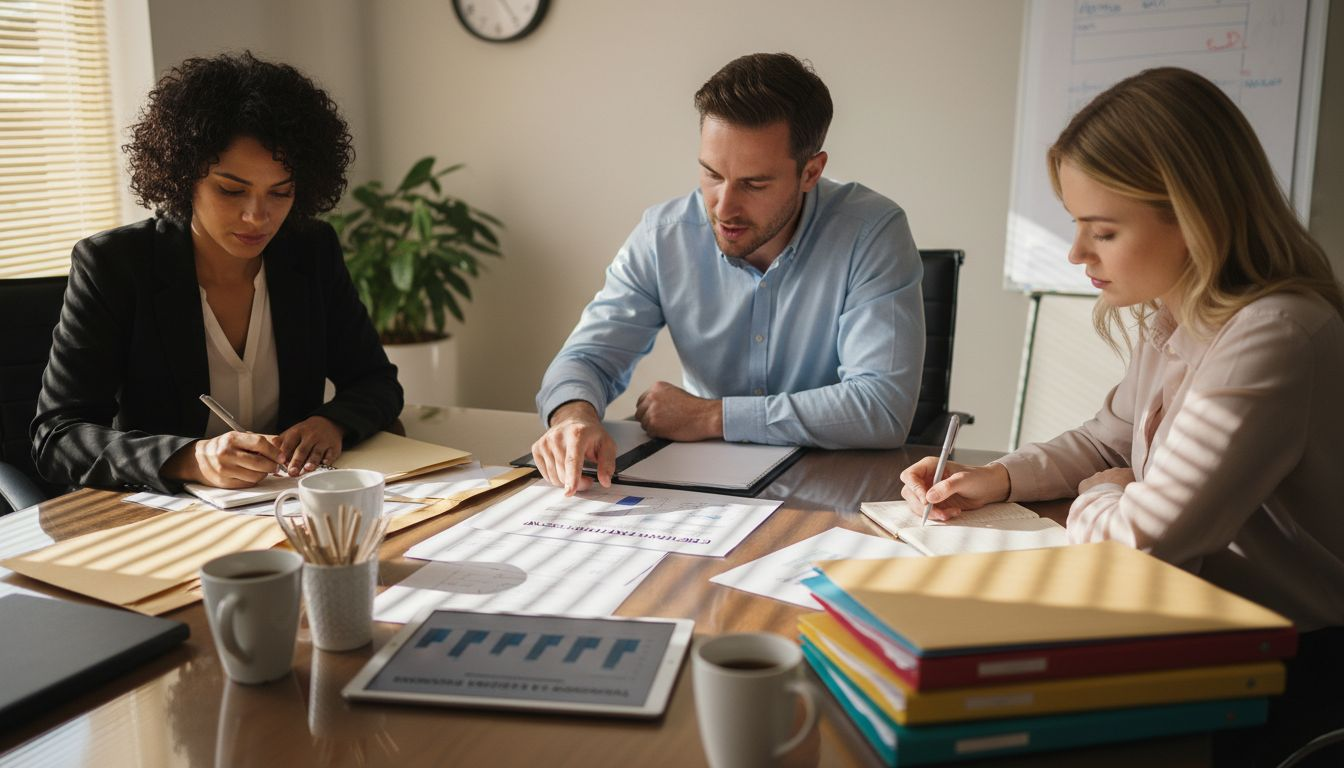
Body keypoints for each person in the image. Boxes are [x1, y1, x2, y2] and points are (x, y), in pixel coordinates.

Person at [900, 67, 1343, 767]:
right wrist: (997, 478)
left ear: (1196, 215)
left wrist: (1103, 491)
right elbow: (1104, 438)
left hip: (1288, 667)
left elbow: (1142, 541)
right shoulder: (1179, 315)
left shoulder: (1275, 335)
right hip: (1198, 625)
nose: (1077, 254)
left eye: (1102, 230)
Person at [532, 52, 925, 495]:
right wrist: (574, 415)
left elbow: (881, 408)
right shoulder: (664, 236)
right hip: (701, 492)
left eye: (754, 184)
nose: (723, 207)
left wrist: (710, 416)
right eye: (711, 174)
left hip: (834, 491)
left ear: (811, 171)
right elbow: (587, 357)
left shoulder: (871, 232)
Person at [31, 52, 403, 494]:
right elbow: (57, 436)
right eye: (231, 190)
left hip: (284, 503)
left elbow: (376, 382)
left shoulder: (310, 251)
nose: (257, 217)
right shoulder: (115, 264)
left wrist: (332, 423)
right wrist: (190, 458)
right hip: (160, 517)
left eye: (280, 193)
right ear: (184, 177)